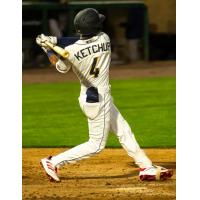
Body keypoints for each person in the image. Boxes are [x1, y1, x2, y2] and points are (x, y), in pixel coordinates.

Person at [36, 8, 173, 182]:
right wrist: (53, 41)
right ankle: (54, 162)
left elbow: (59, 66)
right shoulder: (104, 38)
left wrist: (47, 48)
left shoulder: (71, 52)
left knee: (123, 129)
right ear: (94, 28)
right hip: (97, 101)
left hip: (93, 97)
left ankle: (146, 166)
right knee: (96, 145)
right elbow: (79, 41)